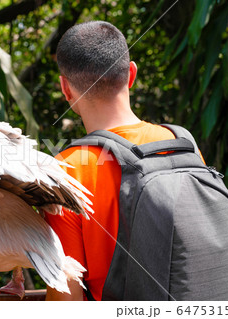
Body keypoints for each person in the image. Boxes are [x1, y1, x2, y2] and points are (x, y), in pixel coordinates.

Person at [44, 21, 176, 301]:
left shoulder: (65, 172)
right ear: (131, 74)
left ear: (65, 88)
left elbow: (66, 301)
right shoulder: (181, 146)